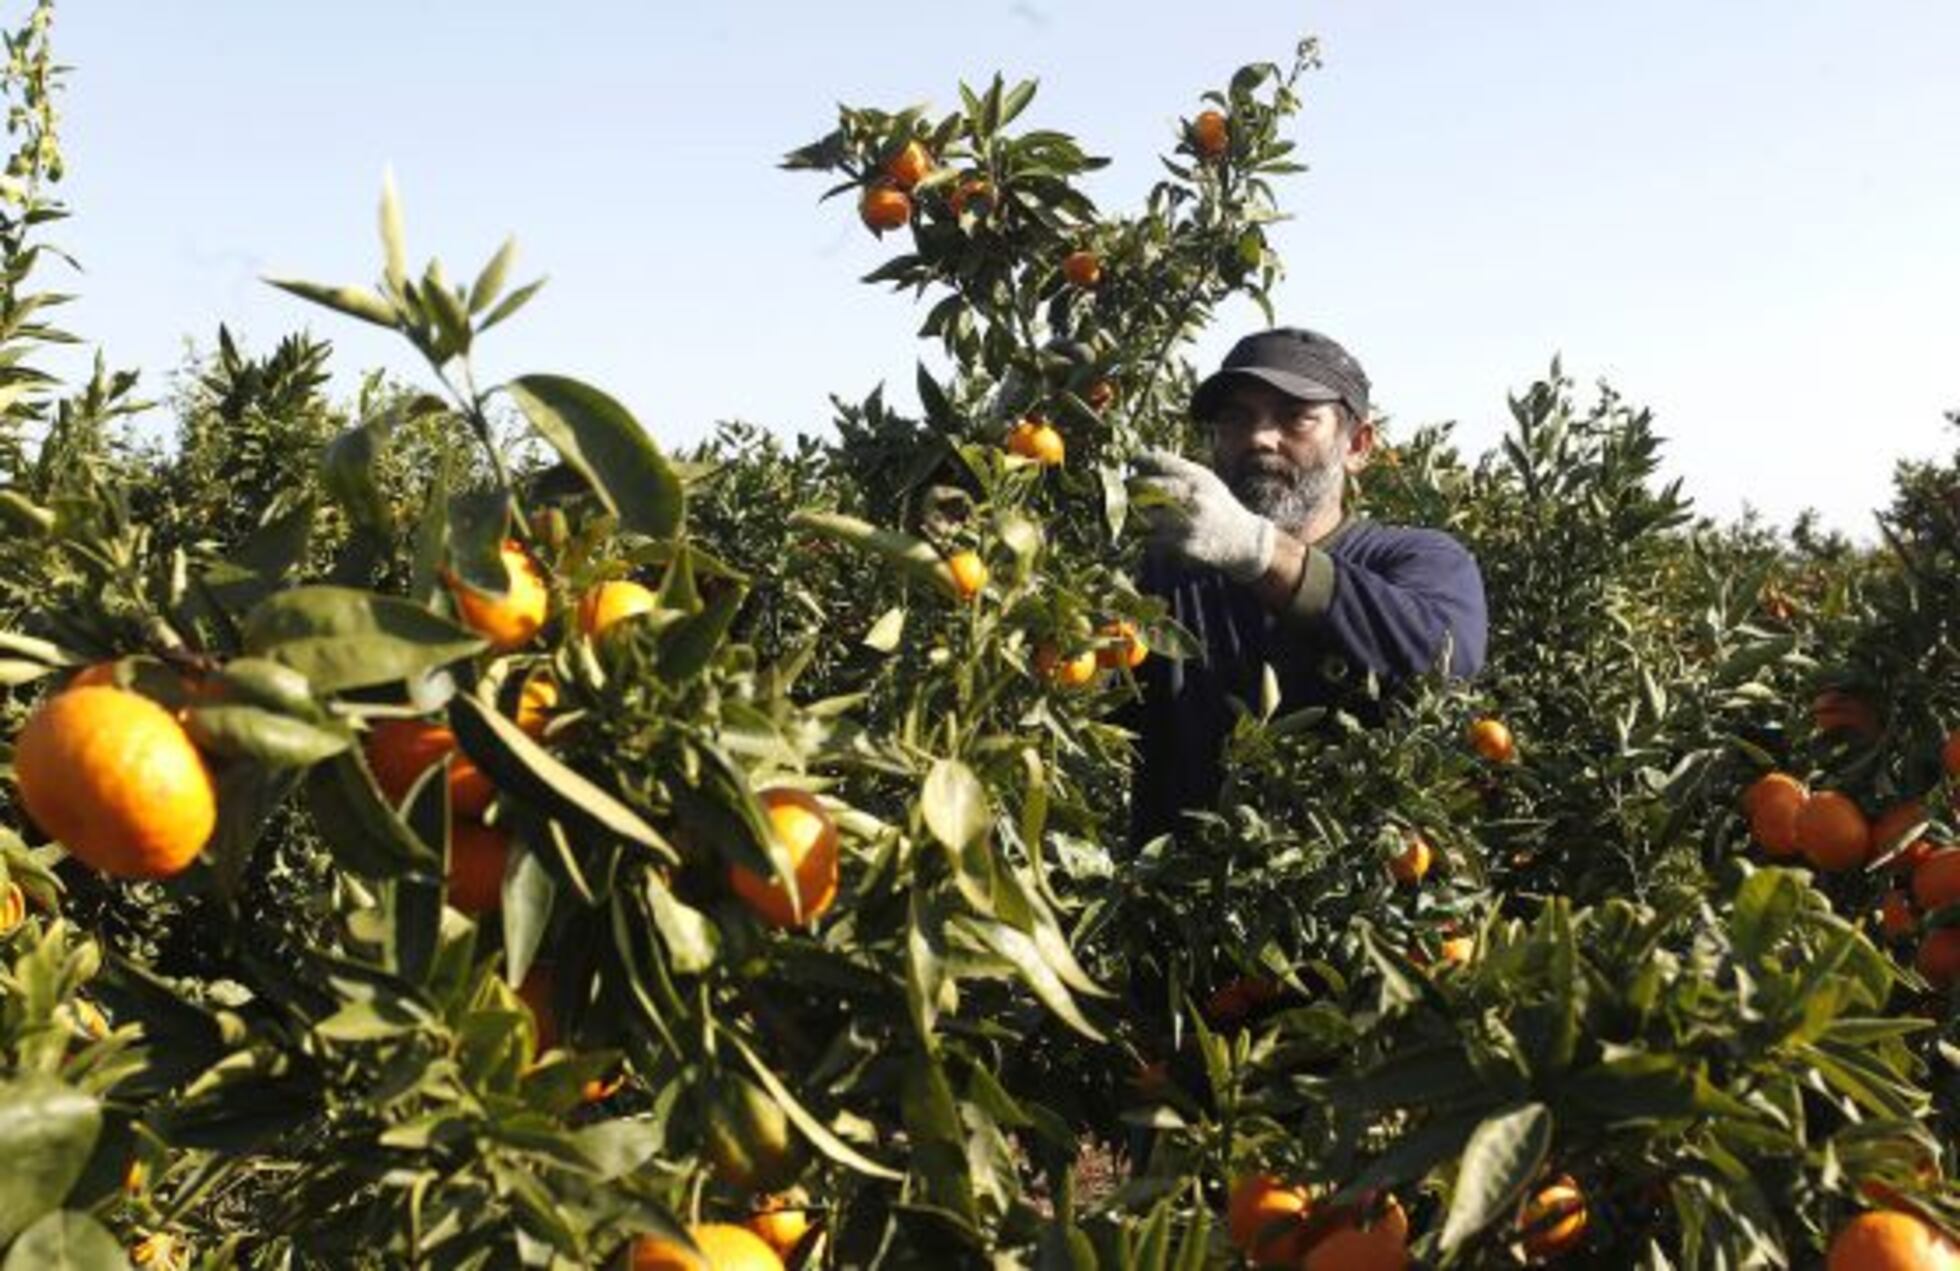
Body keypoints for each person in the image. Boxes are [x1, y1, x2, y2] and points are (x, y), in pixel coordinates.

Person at [1127, 326, 1487, 849]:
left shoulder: (1417, 559)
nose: (1260, 438)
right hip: (1180, 911)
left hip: (1353, 918)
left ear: (1358, 445)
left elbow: (1440, 654)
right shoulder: (1171, 575)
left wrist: (1258, 550)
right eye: (1236, 418)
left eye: (1296, 417)